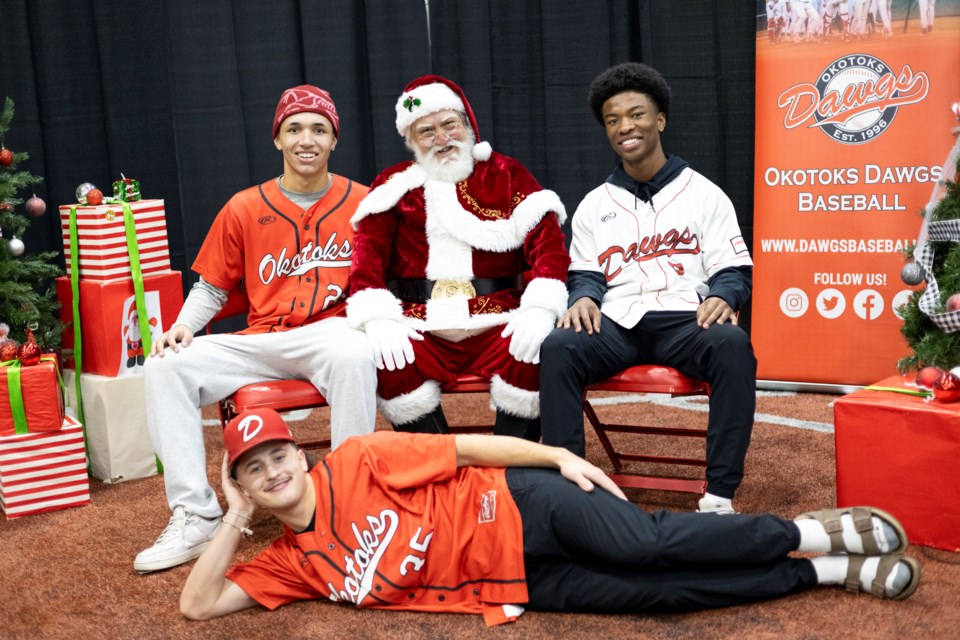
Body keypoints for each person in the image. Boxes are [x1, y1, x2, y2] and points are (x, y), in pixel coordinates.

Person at [178, 407, 920, 625]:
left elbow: (467, 443)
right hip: (510, 585)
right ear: (243, 485)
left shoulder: (357, 460)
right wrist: (232, 519)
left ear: (296, 454)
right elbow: (198, 604)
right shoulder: (287, 563)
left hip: (520, 506)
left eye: (276, 455)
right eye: (253, 471)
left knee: (645, 547)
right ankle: (820, 574)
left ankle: (811, 531)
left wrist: (558, 459)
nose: (272, 473)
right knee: (653, 599)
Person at [134, 85, 377, 574]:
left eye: (318, 129)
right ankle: (196, 515)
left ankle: (345, 501)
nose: (305, 139)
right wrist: (182, 326)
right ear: (277, 140)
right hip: (261, 340)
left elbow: (383, 280)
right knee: (165, 365)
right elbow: (213, 288)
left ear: (334, 140)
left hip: (330, 336)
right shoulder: (245, 206)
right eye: (294, 129)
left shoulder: (365, 203)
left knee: (354, 352)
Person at [539, 62, 757, 515]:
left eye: (636, 114)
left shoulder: (704, 193)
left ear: (660, 120)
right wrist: (582, 298)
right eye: (613, 120)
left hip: (684, 321)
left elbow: (733, 269)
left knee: (732, 344)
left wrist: (723, 295)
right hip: (617, 325)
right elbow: (585, 273)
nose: (625, 127)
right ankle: (570, 493)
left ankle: (718, 495)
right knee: (560, 345)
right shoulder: (596, 203)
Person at [345, 75, 569, 439]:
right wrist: (377, 318)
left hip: (499, 317)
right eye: (426, 132)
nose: (442, 138)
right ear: (410, 142)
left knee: (536, 354)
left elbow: (549, 246)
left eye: (449, 124)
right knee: (387, 362)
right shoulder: (393, 184)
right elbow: (366, 258)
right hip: (419, 323)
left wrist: (542, 307)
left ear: (468, 124)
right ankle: (439, 471)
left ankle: (513, 473)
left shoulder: (507, 173)